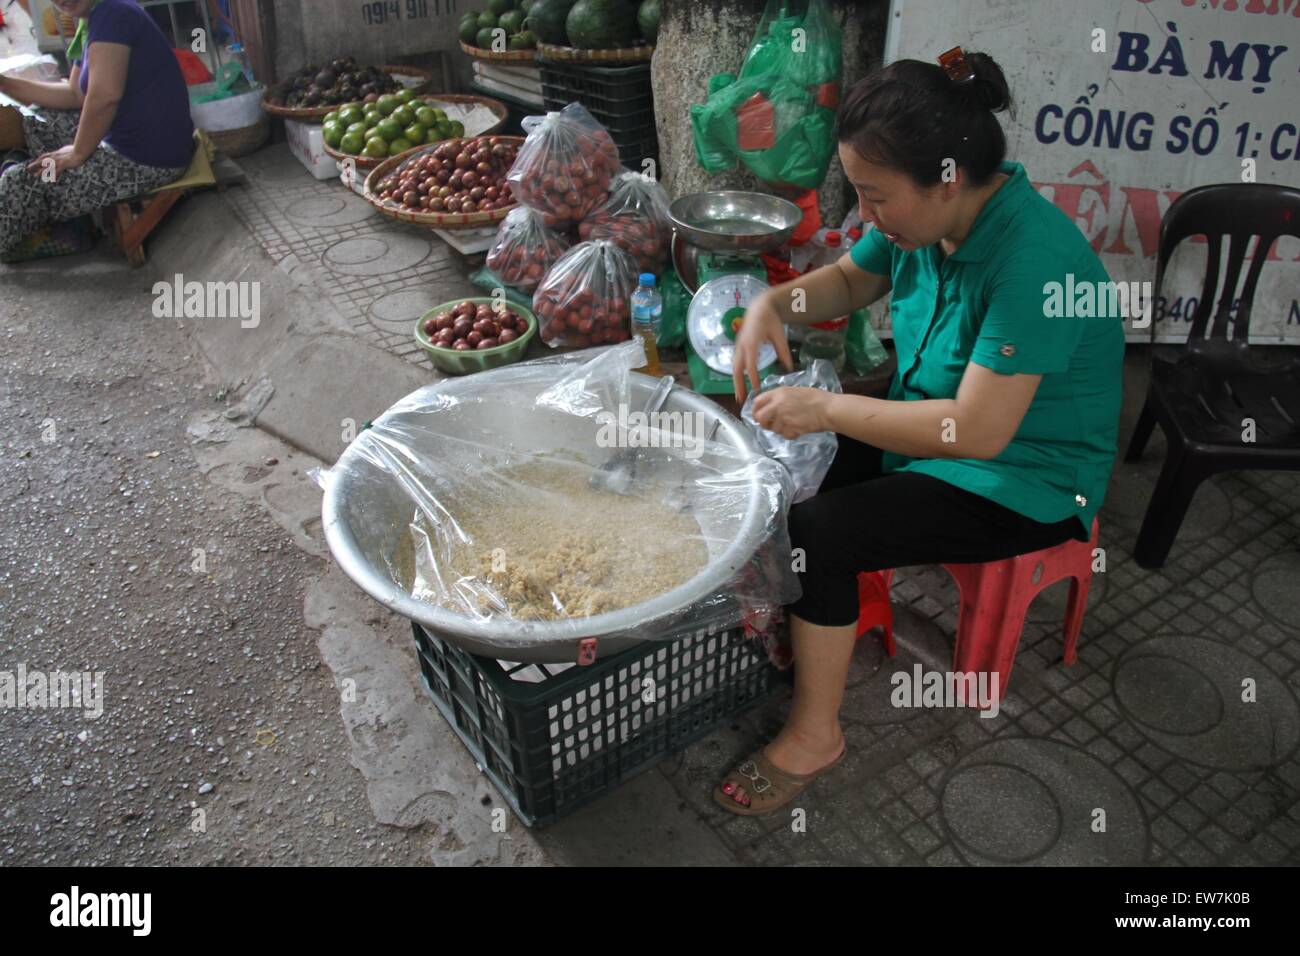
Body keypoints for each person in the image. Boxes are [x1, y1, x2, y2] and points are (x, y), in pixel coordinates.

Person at [716, 48, 1125, 814]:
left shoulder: (1034, 263)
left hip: (1025, 474)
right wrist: (776, 305)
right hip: (930, 429)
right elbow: (849, 278)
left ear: (944, 180)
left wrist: (829, 409)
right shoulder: (924, 225)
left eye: (875, 198)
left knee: (820, 528)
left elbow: (974, 431)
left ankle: (816, 734)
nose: (863, 218)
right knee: (780, 472)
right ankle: (806, 618)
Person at [0, 0, 194, 259]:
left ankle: (24, 204)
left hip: (147, 159)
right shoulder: (93, 18)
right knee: (37, 121)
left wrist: (78, 153)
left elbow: (104, 97)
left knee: (19, 183)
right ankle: (32, 202)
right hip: (129, 141)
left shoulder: (113, 14)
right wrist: (5, 84)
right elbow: (76, 94)